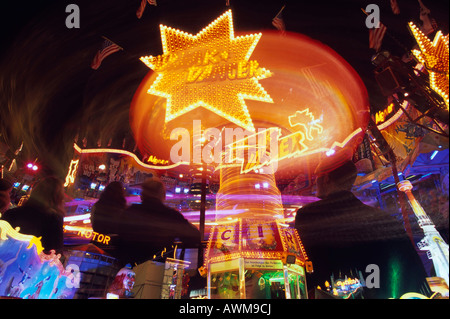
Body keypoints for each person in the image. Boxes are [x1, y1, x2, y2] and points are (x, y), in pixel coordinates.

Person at [294, 148, 427, 299]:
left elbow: (305, 268)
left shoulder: (309, 215)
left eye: (317, 177)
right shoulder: (382, 218)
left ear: (325, 179)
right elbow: (408, 270)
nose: (315, 181)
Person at [117, 177, 201, 266]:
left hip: (131, 266)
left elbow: (120, 235)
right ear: (162, 195)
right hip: (159, 268)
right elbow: (194, 236)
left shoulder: (130, 212)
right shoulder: (170, 215)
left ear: (143, 194)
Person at [1, 176, 65, 256]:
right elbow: (54, 249)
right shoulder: (54, 218)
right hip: (30, 264)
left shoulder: (11, 213)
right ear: (58, 197)